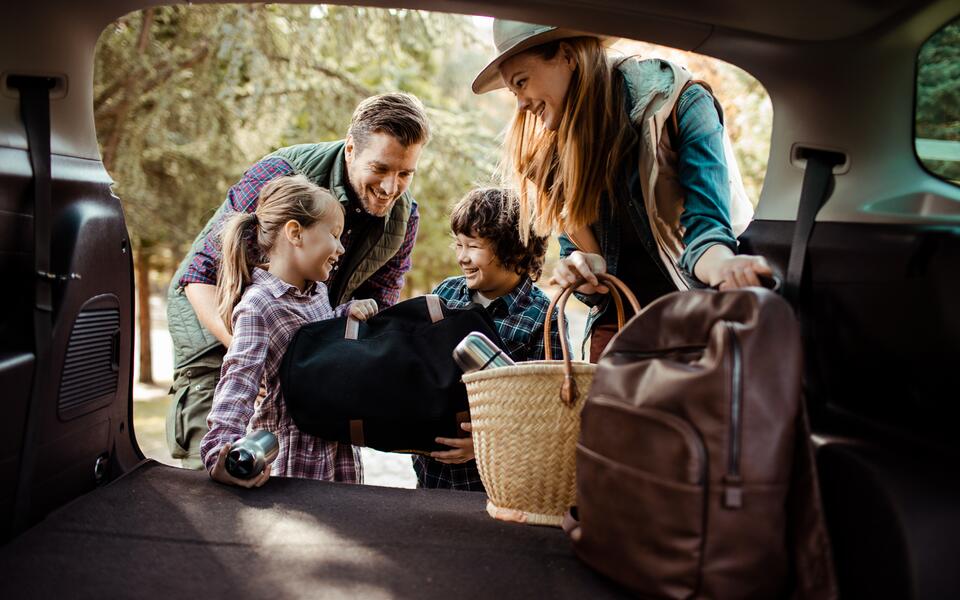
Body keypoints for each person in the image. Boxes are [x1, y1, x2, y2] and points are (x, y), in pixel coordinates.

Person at [473, 20, 773, 361]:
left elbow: (708, 234)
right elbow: (589, 268)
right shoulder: (553, 159)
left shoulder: (679, 103)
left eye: (522, 83)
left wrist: (726, 269)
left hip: (696, 321)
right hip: (620, 336)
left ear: (567, 56)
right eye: (515, 93)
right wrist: (580, 268)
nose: (522, 106)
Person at [166, 93, 429, 468]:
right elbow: (199, 275)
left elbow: (377, 313)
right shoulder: (281, 172)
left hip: (301, 352)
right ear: (351, 149)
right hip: (218, 337)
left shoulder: (404, 219)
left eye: (405, 174)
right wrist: (256, 359)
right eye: (381, 168)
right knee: (217, 479)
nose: (391, 187)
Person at [199, 175, 378, 487]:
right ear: (295, 233)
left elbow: (314, 342)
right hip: (294, 458)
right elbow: (238, 383)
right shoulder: (259, 305)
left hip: (335, 450)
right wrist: (219, 453)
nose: (340, 248)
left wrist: (343, 315)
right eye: (334, 235)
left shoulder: (317, 293)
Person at [413, 187, 566, 492]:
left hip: (494, 482)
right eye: (458, 244)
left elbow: (550, 412)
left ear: (516, 250)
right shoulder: (445, 294)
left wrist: (482, 446)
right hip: (431, 476)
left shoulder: (544, 317)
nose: (462, 257)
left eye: (473, 246)